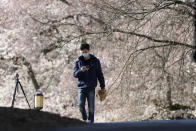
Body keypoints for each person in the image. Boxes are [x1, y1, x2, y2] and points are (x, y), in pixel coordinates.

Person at [73, 42, 106, 123]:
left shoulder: (95, 61)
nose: (84, 53)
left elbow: (99, 74)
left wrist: (103, 87)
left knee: (91, 108)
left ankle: (90, 124)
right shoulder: (78, 61)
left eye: (85, 52)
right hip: (81, 87)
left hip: (91, 87)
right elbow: (75, 74)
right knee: (80, 105)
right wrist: (80, 70)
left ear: (89, 50)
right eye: (82, 52)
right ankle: (84, 116)